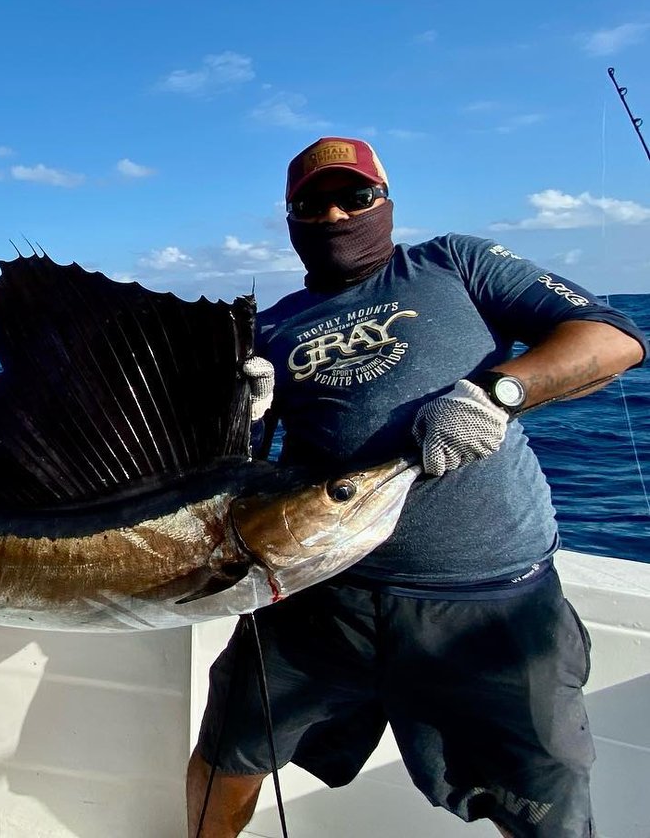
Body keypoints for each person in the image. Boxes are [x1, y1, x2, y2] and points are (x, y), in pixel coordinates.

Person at [186, 136, 646, 838]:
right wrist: (235, 417)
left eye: (356, 196)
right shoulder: (270, 328)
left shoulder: (454, 262)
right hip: (319, 596)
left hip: (489, 606)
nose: (336, 214)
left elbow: (611, 338)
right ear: (290, 219)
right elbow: (237, 471)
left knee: (542, 803)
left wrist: (498, 393)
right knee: (229, 755)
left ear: (386, 203)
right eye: (313, 204)